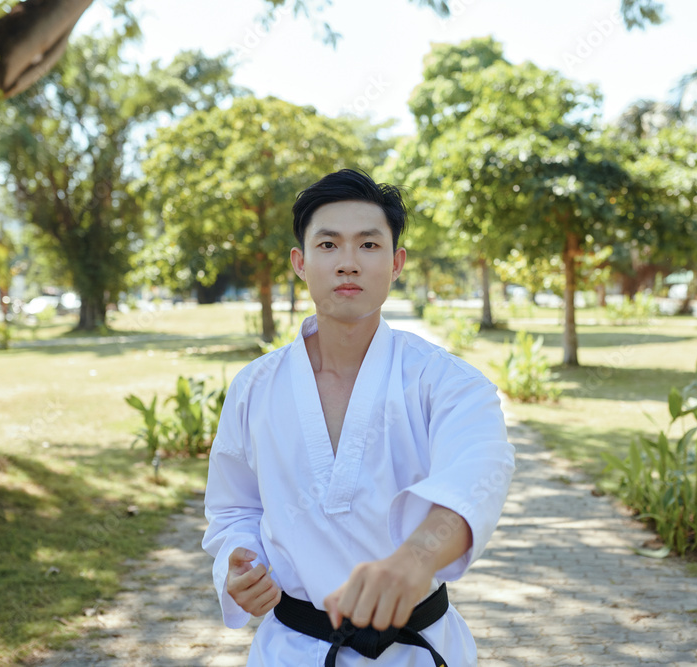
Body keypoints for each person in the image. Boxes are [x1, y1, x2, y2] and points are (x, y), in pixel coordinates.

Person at [202, 168, 515, 666]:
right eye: (328, 245)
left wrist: (415, 559)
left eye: (368, 245)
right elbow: (234, 508)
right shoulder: (254, 388)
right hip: (290, 652)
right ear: (300, 262)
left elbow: (478, 475)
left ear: (396, 263)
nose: (348, 263)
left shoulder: (448, 382)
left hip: (416, 651)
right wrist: (239, 562)